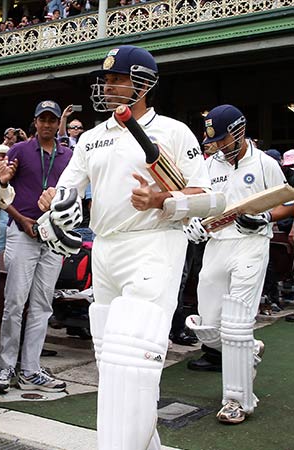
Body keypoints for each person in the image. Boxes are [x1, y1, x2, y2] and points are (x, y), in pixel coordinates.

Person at [37, 45, 210, 449]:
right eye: (107, 78)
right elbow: (68, 189)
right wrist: (54, 204)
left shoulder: (171, 131)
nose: (108, 84)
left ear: (144, 83)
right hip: (105, 248)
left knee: (134, 363)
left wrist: (162, 200)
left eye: (118, 78)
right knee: (113, 366)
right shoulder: (92, 138)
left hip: (153, 244)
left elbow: (205, 195)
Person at [183, 104, 290, 424]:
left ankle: (237, 400)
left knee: (236, 323)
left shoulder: (265, 163)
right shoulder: (209, 164)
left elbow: (287, 203)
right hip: (217, 245)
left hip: (251, 246)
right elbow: (198, 198)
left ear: (238, 131)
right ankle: (249, 348)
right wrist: (194, 220)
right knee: (208, 326)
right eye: (212, 140)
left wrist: (266, 218)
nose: (216, 146)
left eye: (221, 139)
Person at [0, 100, 72, 396]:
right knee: (14, 302)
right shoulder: (19, 150)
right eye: (43, 119)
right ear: (35, 122)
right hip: (23, 231)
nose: (48, 124)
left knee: (42, 305)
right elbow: (3, 194)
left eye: (53, 119)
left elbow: (72, 195)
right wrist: (21, 220)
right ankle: (6, 367)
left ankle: (30, 369)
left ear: (57, 123)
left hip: (54, 236)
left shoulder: (69, 156)